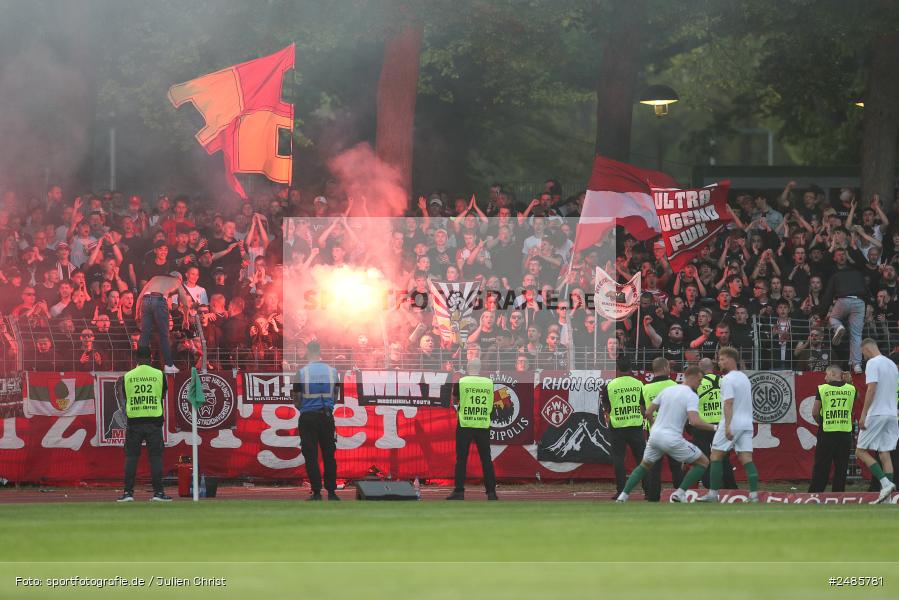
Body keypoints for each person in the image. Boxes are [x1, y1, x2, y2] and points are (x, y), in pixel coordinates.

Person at [615, 366, 716, 503]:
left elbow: (648, 412)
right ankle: (680, 493)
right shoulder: (691, 395)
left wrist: (654, 424)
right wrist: (715, 427)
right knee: (703, 462)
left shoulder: (668, 390)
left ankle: (623, 496)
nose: (700, 384)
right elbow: (694, 421)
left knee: (644, 466)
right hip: (671, 437)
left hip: (655, 435)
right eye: (699, 380)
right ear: (692, 377)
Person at [698, 347, 760, 502]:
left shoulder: (727, 379)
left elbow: (728, 403)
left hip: (732, 422)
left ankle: (713, 494)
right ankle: (754, 495)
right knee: (746, 458)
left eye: (722, 359)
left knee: (715, 456)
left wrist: (727, 426)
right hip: (747, 424)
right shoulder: (744, 378)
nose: (719, 362)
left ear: (731, 359)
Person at [116, 348, 170, 502]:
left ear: (136, 359)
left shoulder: (128, 376)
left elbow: (125, 397)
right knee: (155, 458)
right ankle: (158, 493)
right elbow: (162, 394)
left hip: (134, 421)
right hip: (154, 420)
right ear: (151, 358)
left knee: (131, 458)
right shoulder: (159, 374)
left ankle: (128, 493)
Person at [293, 340, 341, 501]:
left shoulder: (301, 373)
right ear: (320, 352)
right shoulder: (333, 372)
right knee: (329, 454)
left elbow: (296, 399)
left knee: (311, 455)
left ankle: (316, 492)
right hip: (326, 416)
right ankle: (332, 492)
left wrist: (304, 408)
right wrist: (328, 406)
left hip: (308, 417)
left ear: (308, 351)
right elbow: (336, 395)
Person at [446, 358, 498, 501]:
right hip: (482, 424)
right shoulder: (489, 383)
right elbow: (491, 402)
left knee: (461, 459)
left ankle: (459, 491)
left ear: (468, 368)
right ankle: (491, 493)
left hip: (465, 424)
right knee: (486, 460)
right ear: (480, 369)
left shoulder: (461, 382)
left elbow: (454, 400)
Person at [855, 339, 898, 504]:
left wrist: (864, 414)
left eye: (863, 353)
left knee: (860, 451)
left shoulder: (873, 363)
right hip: (892, 414)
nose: (864, 357)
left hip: (877, 413)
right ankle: (887, 498)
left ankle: (886, 483)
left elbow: (871, 389)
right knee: (884, 452)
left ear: (866, 348)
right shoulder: (891, 364)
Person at [601, 357, 646, 496]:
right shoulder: (639, 384)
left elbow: (606, 406)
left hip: (617, 427)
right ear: (631, 368)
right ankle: (648, 491)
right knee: (642, 460)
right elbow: (643, 405)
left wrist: (611, 416)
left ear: (617, 369)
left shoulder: (610, 386)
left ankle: (621, 491)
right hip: (635, 425)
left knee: (619, 459)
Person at [808, 365, 855, 493]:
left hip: (827, 432)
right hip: (845, 432)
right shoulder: (851, 389)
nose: (825, 377)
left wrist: (822, 423)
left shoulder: (823, 388)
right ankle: (838, 495)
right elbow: (852, 407)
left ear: (833, 374)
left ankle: (815, 493)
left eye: (826, 374)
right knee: (841, 467)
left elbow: (815, 412)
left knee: (821, 465)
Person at [641, 357, 682, 501]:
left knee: (654, 467)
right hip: (672, 430)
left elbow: (643, 410)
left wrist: (653, 421)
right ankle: (679, 495)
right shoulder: (674, 385)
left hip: (654, 432)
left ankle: (653, 497)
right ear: (666, 368)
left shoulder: (645, 388)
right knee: (676, 466)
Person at [135, 271, 192, 374]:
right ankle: (169, 365)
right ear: (179, 278)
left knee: (144, 334)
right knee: (164, 335)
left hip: (145, 300)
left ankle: (141, 364)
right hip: (159, 301)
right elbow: (185, 303)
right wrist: (186, 319)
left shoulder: (155, 278)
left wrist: (137, 314)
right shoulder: (177, 281)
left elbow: (140, 297)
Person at [693, 358, 737, 490]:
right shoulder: (723, 381)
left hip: (702, 425)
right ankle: (730, 486)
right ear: (712, 367)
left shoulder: (698, 383)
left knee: (703, 456)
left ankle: (709, 485)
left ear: (700, 368)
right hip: (721, 423)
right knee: (724, 457)